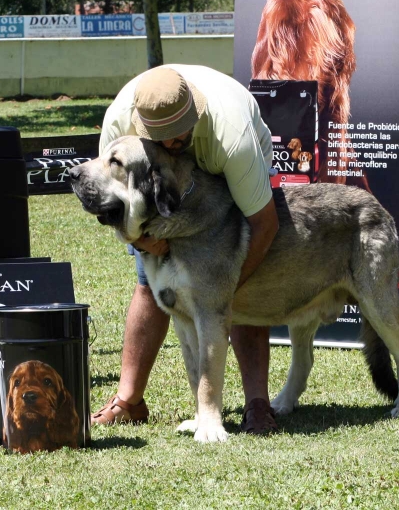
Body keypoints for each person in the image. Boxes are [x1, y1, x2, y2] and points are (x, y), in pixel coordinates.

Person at [92, 64, 279, 434]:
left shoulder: (233, 135)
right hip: (158, 186)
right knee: (149, 281)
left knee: (234, 290)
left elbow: (264, 224)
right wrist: (143, 241)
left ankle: (258, 404)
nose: (174, 145)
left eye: (180, 136)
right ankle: (129, 401)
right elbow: (109, 203)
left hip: (228, 170)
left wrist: (223, 287)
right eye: (163, 140)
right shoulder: (119, 123)